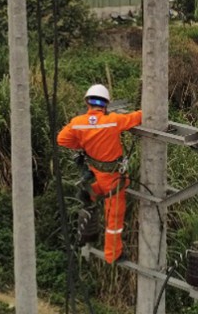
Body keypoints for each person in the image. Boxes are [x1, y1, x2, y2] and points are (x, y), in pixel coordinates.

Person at [57, 84, 142, 264]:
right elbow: (138, 117)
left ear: (88, 102)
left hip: (97, 172)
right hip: (112, 179)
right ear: (105, 105)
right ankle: (113, 255)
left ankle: (91, 192)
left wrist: (82, 145)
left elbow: (61, 139)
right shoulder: (113, 120)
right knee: (114, 218)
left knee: (111, 187)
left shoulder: (77, 123)